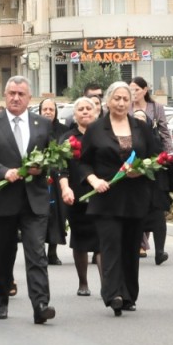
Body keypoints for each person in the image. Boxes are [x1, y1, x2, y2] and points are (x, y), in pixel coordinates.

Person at [0, 76, 57, 324]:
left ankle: (40, 304)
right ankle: (1, 300)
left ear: (30, 98)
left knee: (36, 253)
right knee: (4, 254)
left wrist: (42, 168)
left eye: (21, 94)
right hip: (3, 199)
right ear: (4, 96)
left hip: (34, 199)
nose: (16, 98)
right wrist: (2, 171)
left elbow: (52, 157)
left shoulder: (42, 123)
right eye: (11, 93)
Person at [81, 82, 159, 315]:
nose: (122, 103)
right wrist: (93, 180)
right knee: (111, 245)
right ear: (107, 101)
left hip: (135, 197)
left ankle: (129, 295)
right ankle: (113, 293)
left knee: (130, 247)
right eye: (117, 98)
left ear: (131, 101)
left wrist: (142, 169)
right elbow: (83, 162)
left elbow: (156, 157)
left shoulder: (141, 128)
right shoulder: (96, 129)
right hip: (106, 197)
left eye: (126, 99)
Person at [56, 96, 101, 297]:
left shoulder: (103, 135)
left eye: (88, 108)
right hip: (76, 193)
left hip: (102, 193)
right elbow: (61, 167)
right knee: (80, 239)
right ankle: (83, 283)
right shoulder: (67, 138)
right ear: (74, 115)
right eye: (80, 109)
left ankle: (106, 284)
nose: (84, 112)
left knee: (102, 240)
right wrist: (65, 188)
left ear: (96, 112)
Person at [130, 76, 173, 263]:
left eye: (136, 89)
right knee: (135, 207)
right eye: (130, 89)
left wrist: (169, 155)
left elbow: (164, 132)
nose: (133, 93)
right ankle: (138, 245)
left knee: (157, 208)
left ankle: (159, 250)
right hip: (132, 163)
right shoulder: (126, 108)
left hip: (155, 162)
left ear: (145, 90)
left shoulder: (156, 108)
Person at [38, 97, 68, 266]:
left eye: (51, 109)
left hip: (57, 180)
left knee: (57, 216)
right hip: (39, 177)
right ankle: (39, 252)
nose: (48, 112)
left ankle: (52, 252)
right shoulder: (34, 128)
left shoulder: (64, 130)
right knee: (40, 216)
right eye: (45, 109)